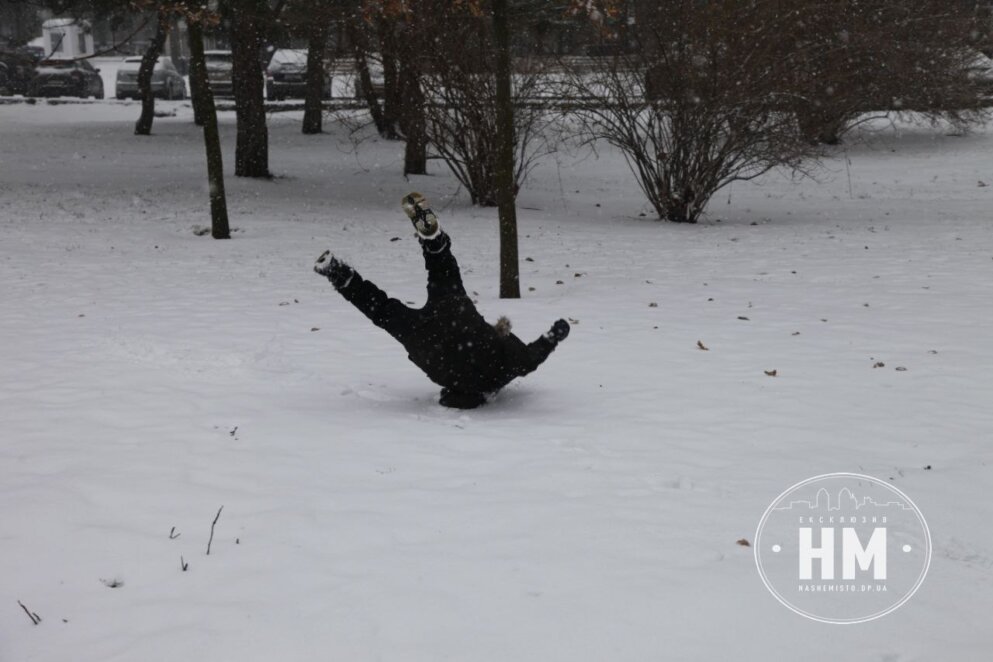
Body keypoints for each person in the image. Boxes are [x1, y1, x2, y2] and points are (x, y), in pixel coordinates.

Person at [314, 192, 570, 409]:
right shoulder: (471, 383)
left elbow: (530, 358)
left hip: (461, 321)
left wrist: (553, 336)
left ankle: (434, 243)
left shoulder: (506, 365)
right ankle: (337, 272)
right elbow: (452, 398)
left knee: (444, 275)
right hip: (427, 344)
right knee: (381, 309)